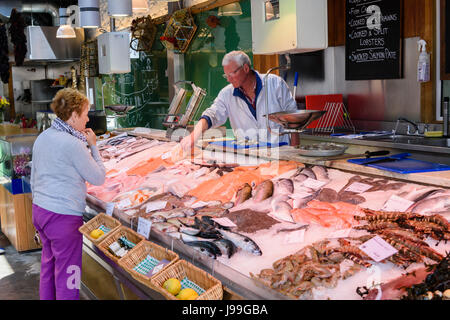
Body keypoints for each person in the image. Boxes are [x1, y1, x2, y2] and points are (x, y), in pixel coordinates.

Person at [31, 88, 106, 300]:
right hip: (62, 219)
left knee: (49, 266)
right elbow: (98, 177)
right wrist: (93, 146)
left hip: (41, 212)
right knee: (68, 274)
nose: (88, 118)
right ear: (73, 116)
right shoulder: (73, 144)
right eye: (85, 114)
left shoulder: (44, 136)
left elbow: (34, 176)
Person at [180, 50, 297, 153]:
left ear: (246, 68)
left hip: (280, 154)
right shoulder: (226, 94)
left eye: (232, 74)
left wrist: (295, 154)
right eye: (226, 76)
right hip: (247, 157)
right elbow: (211, 115)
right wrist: (193, 135)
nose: (229, 79)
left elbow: (294, 121)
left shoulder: (275, 84)